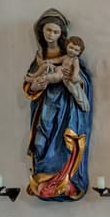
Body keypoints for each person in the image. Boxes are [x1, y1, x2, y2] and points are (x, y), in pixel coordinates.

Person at [25, 10, 92, 200]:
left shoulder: (70, 56)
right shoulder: (40, 58)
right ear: (41, 32)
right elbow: (30, 87)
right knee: (42, 141)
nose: (51, 35)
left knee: (64, 142)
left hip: (65, 109)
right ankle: (44, 179)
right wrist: (34, 86)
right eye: (47, 30)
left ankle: (64, 180)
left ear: (62, 34)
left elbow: (82, 81)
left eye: (55, 31)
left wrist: (73, 81)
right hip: (44, 108)